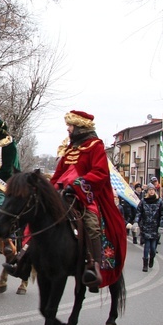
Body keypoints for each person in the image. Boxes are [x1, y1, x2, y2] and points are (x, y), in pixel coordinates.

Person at [7, 111, 127, 293]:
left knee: (92, 223)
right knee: (39, 214)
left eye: (70, 126)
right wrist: (47, 190)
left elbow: (100, 173)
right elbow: (58, 174)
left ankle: (92, 267)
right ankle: (23, 260)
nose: (68, 129)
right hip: (63, 192)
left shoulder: (96, 146)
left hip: (86, 195)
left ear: (80, 126)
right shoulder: (70, 149)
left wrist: (78, 185)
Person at [134, 184, 163, 271]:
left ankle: (152, 258)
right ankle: (145, 264)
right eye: (149, 190)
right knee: (146, 246)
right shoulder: (143, 201)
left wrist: (161, 225)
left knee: (153, 247)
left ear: (155, 191)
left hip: (155, 227)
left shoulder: (159, 201)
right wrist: (136, 222)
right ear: (147, 191)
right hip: (146, 226)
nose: (151, 191)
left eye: (153, 190)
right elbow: (139, 212)